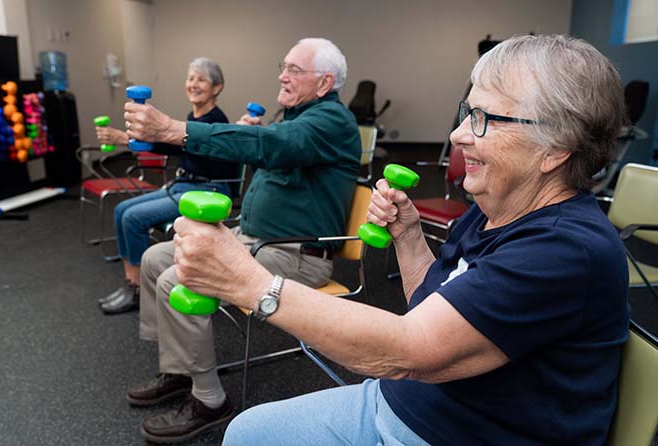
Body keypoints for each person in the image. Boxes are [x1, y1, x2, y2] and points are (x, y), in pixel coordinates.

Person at [171, 34, 630, 446]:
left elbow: (413, 349)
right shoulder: (492, 210)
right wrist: (409, 236)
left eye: (484, 119)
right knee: (246, 433)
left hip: (457, 432)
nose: (457, 135)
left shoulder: (566, 249)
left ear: (556, 146)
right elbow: (431, 305)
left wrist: (250, 285)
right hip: (402, 401)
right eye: (467, 113)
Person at [123, 37, 360, 443]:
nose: (282, 76)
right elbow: (271, 146)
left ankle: (210, 400)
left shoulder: (332, 121)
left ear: (324, 83)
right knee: (156, 257)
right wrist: (247, 135)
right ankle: (180, 370)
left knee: (180, 278)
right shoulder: (294, 119)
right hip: (253, 241)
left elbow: (275, 146)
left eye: (294, 70)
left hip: (296, 256)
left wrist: (174, 130)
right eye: (283, 66)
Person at [96, 57, 239, 315]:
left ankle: (139, 290)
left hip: (208, 191)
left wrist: (124, 138)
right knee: (121, 211)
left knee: (132, 218)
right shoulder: (192, 117)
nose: (193, 84)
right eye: (190, 78)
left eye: (201, 79)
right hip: (184, 185)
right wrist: (129, 138)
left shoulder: (216, 121)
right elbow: (172, 144)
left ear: (216, 88)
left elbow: (179, 145)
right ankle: (131, 283)